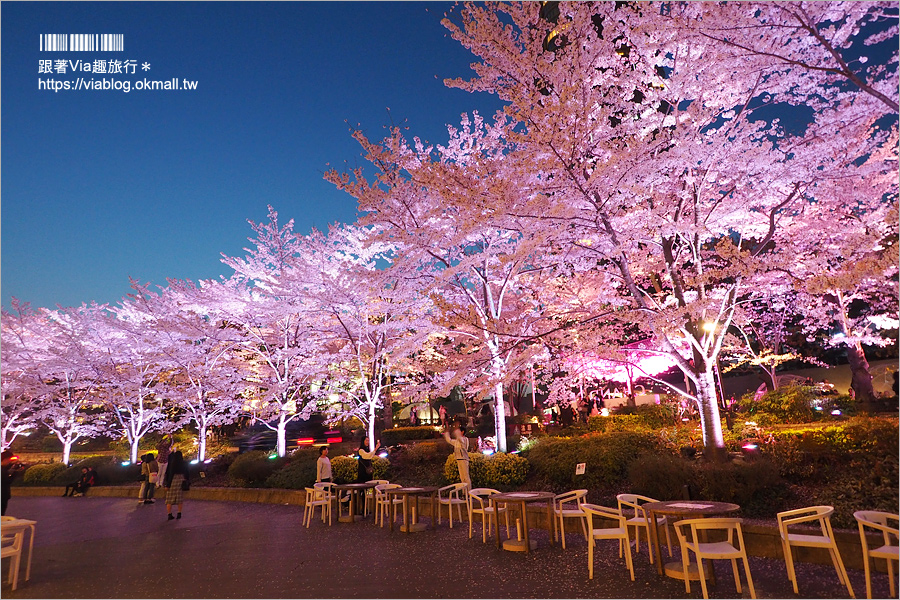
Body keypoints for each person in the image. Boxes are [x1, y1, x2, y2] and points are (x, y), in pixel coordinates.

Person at [443, 421, 471, 487]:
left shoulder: (465, 439)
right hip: (459, 459)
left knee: (466, 477)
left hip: (464, 459)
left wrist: (456, 428)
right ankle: (464, 494)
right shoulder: (457, 441)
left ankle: (469, 493)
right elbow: (449, 440)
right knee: (462, 477)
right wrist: (447, 432)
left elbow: (459, 438)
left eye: (459, 431)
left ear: (462, 432)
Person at [164, 450, 189, 520]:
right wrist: (187, 480)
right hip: (181, 480)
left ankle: (169, 514)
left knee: (169, 498)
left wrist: (168, 485)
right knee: (179, 498)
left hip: (173, 481)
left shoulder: (172, 463)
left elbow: (170, 474)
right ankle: (179, 513)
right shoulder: (184, 463)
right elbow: (187, 473)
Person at [1, 450, 25, 515]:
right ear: (5, 459)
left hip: (4, 495)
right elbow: (7, 481)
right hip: (2, 495)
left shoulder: (4, 468)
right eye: (9, 459)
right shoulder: (2, 470)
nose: (10, 462)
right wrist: (15, 473)